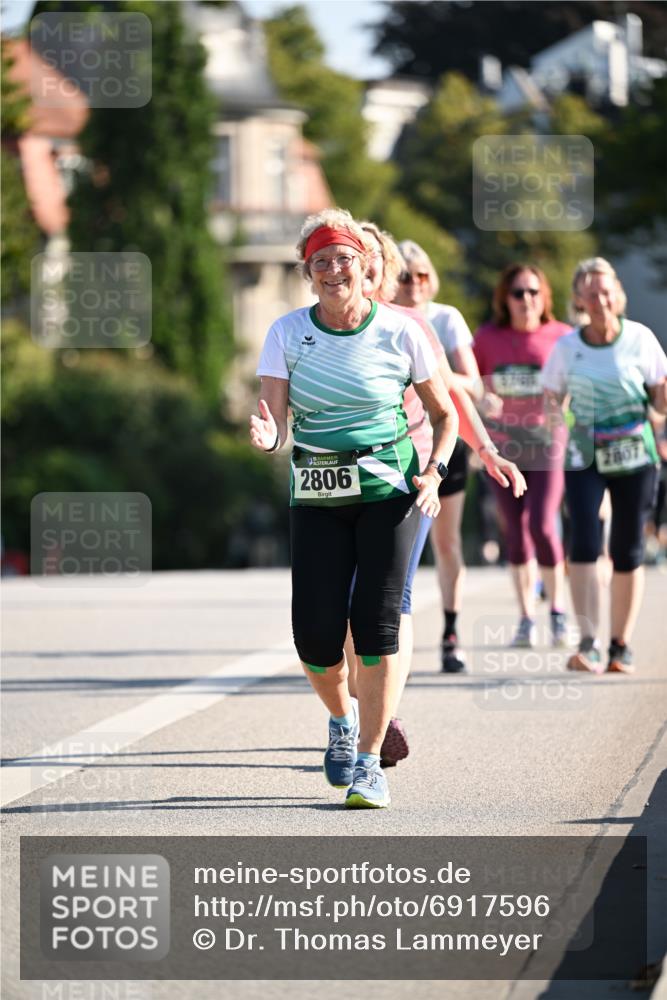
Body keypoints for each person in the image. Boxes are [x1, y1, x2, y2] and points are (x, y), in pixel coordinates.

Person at [250, 208, 459, 808]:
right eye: (321, 261)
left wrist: (434, 472)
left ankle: (369, 762)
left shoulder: (401, 331)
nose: (334, 269)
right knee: (315, 638)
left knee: (377, 626)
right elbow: (276, 423)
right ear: (308, 273)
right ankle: (341, 721)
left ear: (366, 267)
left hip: (391, 493)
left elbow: (444, 416)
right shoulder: (287, 333)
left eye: (344, 258)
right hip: (316, 495)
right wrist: (267, 437)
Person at [344, 222, 526, 766]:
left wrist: (488, 450)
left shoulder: (413, 324)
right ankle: (363, 705)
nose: (368, 268)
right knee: (350, 609)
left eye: (377, 260)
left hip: (412, 475)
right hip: (346, 482)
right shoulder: (328, 328)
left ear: (388, 271)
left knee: (388, 601)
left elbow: (450, 398)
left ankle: (383, 720)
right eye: (360, 257)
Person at [542, 257, 667, 673]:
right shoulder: (567, 348)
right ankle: (589, 641)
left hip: (636, 454)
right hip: (585, 457)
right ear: (579, 299)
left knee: (628, 547)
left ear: (619, 295)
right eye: (591, 293)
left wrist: (663, 397)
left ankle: (620, 644)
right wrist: (559, 425)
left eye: (607, 291)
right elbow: (551, 398)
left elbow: (659, 404)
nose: (600, 300)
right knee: (584, 543)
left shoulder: (641, 339)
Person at [393, 240, 482, 671]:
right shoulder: (384, 319)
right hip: (405, 450)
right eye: (406, 275)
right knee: (407, 551)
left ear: (433, 279)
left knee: (447, 541)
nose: (414, 283)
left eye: (422, 275)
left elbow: (474, 383)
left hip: (447, 442)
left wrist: (439, 381)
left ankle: (450, 630)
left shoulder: (444, 319)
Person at [473, 264, 571, 647]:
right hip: (502, 447)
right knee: (515, 532)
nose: (526, 300)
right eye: (518, 293)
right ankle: (527, 617)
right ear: (505, 299)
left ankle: (559, 610)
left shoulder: (561, 337)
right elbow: (468, 385)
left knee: (543, 525)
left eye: (533, 292)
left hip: (547, 443)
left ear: (544, 297)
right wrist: (483, 399)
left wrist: (565, 404)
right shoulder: (487, 338)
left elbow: (579, 384)